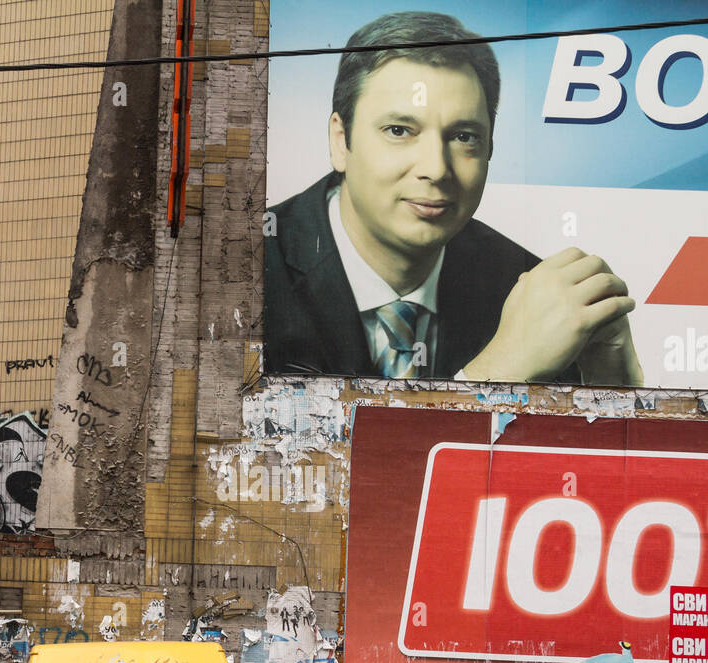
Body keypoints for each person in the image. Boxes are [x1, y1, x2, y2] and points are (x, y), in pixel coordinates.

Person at [264, 11, 643, 386]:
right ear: (340, 141)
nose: (436, 169)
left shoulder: (530, 293)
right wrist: (496, 373)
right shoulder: (246, 269)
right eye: (399, 130)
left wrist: (611, 381)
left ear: (490, 147)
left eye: (463, 137)